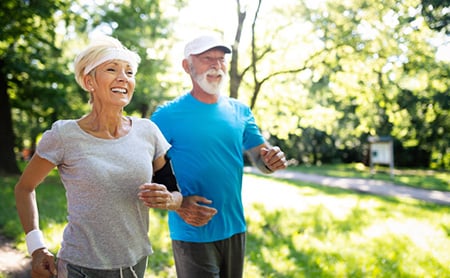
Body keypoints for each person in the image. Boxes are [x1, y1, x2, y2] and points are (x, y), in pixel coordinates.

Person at [14, 35, 182, 278]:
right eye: (112, 69)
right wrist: (37, 248)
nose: (123, 77)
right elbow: (24, 188)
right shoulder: (64, 134)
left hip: (136, 265)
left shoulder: (148, 131)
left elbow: (175, 192)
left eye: (129, 72)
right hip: (80, 268)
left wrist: (169, 200)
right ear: (89, 81)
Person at [151, 34, 288, 278]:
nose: (216, 65)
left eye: (221, 59)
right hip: (192, 229)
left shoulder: (240, 111)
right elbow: (148, 171)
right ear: (187, 66)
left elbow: (260, 157)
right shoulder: (165, 116)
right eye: (207, 59)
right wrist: (179, 204)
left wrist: (271, 161)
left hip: (235, 227)